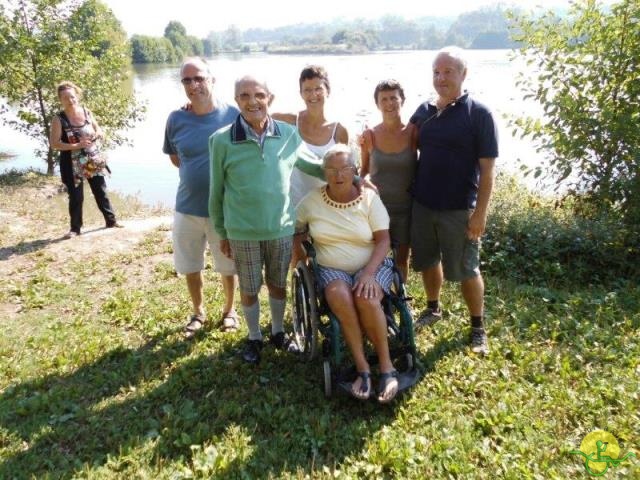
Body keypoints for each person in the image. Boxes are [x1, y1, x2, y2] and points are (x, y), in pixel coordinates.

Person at [209, 75, 327, 365]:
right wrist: (223, 233)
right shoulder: (221, 140)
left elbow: (314, 165)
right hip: (242, 231)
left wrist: (351, 175)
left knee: (277, 283)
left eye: (259, 95)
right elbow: (216, 192)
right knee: (249, 288)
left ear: (269, 98)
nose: (253, 102)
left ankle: (276, 333)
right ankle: (253, 337)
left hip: (280, 228)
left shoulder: (288, 134)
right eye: (245, 96)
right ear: (236, 101)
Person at [409, 46, 498, 355]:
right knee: (428, 260)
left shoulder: (479, 113)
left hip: (460, 208)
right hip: (422, 203)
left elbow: (487, 171)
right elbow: (402, 143)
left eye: (448, 71)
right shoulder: (423, 111)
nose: (441, 77)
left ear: (464, 74)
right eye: (436, 72)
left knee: (467, 269)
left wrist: (480, 214)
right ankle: (433, 308)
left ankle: (478, 327)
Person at [295, 144, 398, 403]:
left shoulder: (369, 199)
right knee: (339, 295)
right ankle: (363, 368)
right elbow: (295, 230)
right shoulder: (311, 201)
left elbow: (384, 240)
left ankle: (386, 368)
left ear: (354, 170)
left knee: (366, 297)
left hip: (373, 264)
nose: (338, 175)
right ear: (324, 172)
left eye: (344, 169)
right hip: (332, 269)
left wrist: (369, 274)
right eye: (331, 170)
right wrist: (301, 259)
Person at [163, 57, 239, 339]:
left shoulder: (233, 115)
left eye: (199, 78)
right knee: (190, 264)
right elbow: (175, 157)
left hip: (225, 209)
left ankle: (230, 310)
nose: (193, 85)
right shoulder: (176, 118)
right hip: (187, 207)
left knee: (227, 265)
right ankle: (198, 311)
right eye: (187, 80)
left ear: (212, 79)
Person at [49, 81, 122, 238]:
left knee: (100, 190)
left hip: (91, 159)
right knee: (76, 196)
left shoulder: (86, 112)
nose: (71, 100)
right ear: (60, 100)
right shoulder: (58, 119)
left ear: (77, 96)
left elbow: (98, 128)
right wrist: (77, 144)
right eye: (66, 98)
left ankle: (111, 221)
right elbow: (54, 144)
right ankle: (75, 229)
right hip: (71, 163)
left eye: (73, 96)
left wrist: (99, 133)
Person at [360, 79, 417, 281]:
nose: (389, 103)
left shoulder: (413, 132)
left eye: (394, 98)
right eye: (384, 99)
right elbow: (363, 171)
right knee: (375, 260)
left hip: (406, 208)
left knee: (401, 261)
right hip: (377, 209)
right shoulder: (369, 135)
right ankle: (380, 300)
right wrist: (362, 182)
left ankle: (401, 300)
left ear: (402, 100)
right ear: (377, 104)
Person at [272, 65, 349, 208]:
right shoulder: (289, 121)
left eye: (318, 89)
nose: (313, 95)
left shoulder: (339, 131)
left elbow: (345, 173)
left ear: (328, 91)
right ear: (301, 93)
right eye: (307, 90)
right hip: (291, 208)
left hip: (324, 209)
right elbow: (260, 122)